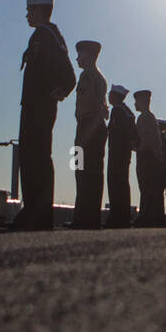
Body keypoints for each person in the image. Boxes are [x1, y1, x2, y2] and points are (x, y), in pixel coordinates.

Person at [10, 0, 75, 230]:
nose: (27, 15)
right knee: (35, 156)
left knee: (34, 157)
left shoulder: (45, 35)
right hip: (37, 103)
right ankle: (38, 213)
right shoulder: (49, 35)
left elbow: (68, 74)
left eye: (30, 10)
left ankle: (35, 214)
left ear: (38, 10)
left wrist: (60, 90)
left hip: (37, 105)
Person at [70, 40, 107, 229]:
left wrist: (86, 135)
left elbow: (94, 105)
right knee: (89, 172)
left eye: (80, 54)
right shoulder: (96, 77)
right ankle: (87, 216)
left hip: (88, 127)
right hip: (91, 126)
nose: (77, 58)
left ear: (90, 56)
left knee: (83, 170)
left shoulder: (89, 76)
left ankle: (84, 217)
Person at [104, 85, 135, 227]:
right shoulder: (127, 111)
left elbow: (116, 131)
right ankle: (123, 216)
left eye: (110, 94)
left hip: (117, 151)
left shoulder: (117, 110)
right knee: (123, 183)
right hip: (124, 152)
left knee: (115, 183)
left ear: (116, 96)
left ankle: (117, 217)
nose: (108, 97)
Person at [133, 90, 164, 225]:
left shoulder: (144, 118)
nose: (135, 104)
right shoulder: (151, 117)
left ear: (143, 102)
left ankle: (147, 216)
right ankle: (152, 216)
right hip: (152, 156)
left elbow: (147, 138)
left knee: (146, 186)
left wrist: (138, 148)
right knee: (150, 187)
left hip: (146, 156)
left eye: (137, 101)